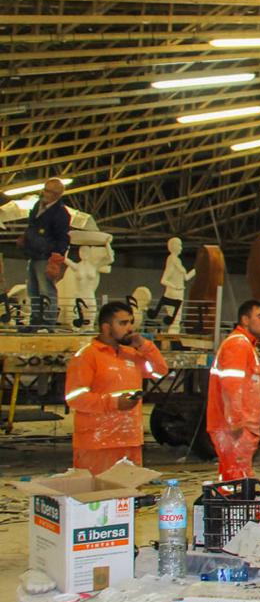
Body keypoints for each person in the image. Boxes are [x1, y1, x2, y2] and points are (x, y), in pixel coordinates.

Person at [64, 301, 168, 474]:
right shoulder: (87, 356)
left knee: (127, 496)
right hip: (97, 443)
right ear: (106, 327)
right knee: (97, 496)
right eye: (123, 323)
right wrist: (114, 403)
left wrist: (144, 345)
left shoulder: (131, 355)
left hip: (129, 441)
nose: (129, 328)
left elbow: (159, 371)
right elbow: (75, 397)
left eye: (130, 322)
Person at [206, 299, 260, 481]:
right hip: (235, 428)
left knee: (236, 476)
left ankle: (232, 504)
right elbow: (231, 387)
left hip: (239, 426)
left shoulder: (246, 345)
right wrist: (235, 421)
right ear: (245, 319)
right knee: (235, 477)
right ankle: (231, 506)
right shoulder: (238, 344)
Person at [21, 178, 70, 328]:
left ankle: (47, 321)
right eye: (45, 189)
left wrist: (55, 258)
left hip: (46, 257)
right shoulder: (38, 206)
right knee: (33, 289)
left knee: (46, 289)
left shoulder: (61, 214)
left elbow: (63, 238)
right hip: (34, 254)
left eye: (48, 191)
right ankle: (36, 318)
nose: (44, 193)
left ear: (57, 194)